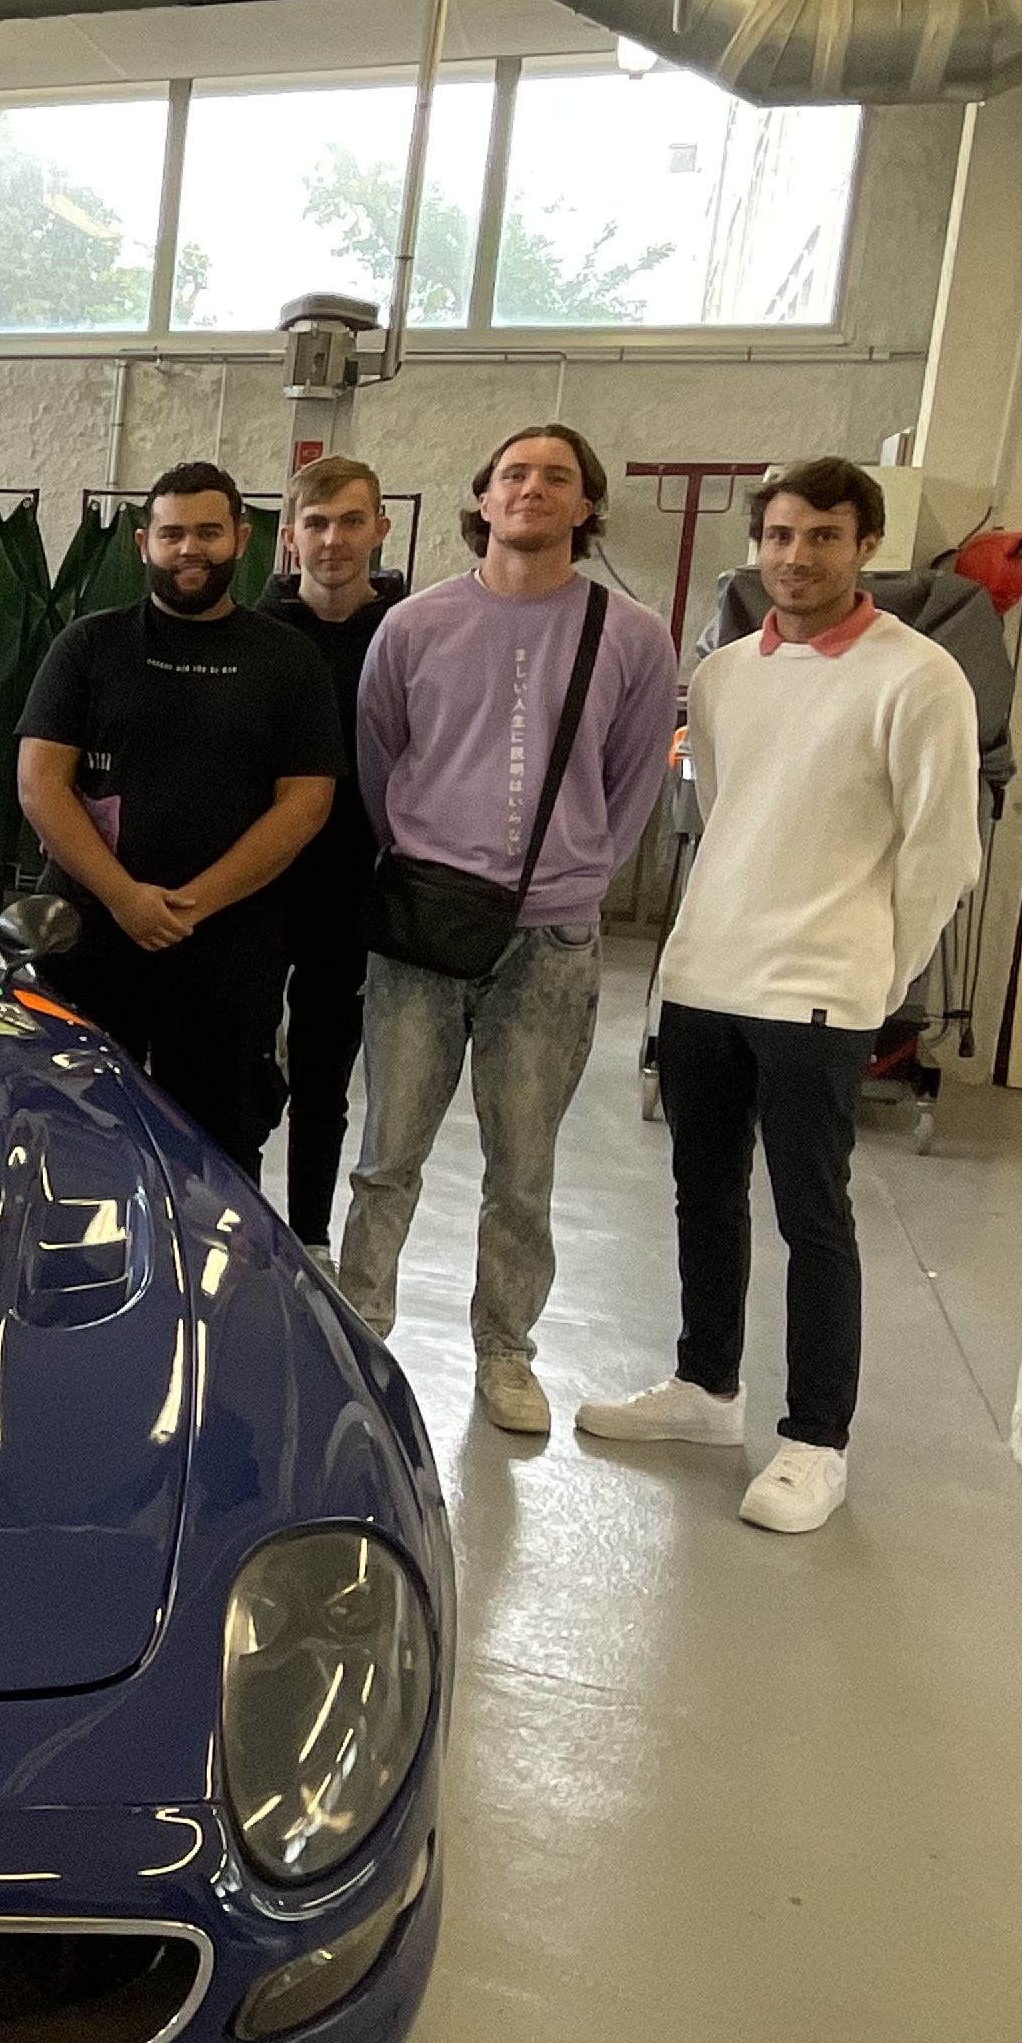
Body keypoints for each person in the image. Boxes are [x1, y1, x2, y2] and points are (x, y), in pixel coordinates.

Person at [582, 458, 980, 1534]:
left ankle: (816, 1441)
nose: (797, 558)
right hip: (708, 976)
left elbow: (944, 852)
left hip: (822, 990)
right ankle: (706, 1390)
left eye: (824, 537)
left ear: (866, 547)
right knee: (702, 1193)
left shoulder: (920, 678)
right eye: (781, 536)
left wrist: (877, 975)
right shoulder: (723, 677)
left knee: (814, 1215)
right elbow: (726, 812)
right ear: (757, 545)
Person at [339, 423, 678, 1435]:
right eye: (514, 474)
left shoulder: (631, 635)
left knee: (522, 1170)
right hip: (422, 926)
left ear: (587, 506)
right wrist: (429, 854)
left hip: (553, 942)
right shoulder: (413, 626)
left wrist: (576, 878)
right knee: (387, 1154)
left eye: (557, 477)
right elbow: (379, 760)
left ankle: (506, 1351)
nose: (533, 489)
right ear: (483, 499)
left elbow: (632, 783)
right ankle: (360, 1335)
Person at [15, 462, 341, 1177]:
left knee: (218, 1154)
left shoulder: (289, 661)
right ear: (145, 544)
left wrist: (192, 905)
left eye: (208, 532)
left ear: (242, 539)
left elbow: (306, 802)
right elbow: (40, 786)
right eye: (172, 534)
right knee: (75, 1140)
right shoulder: (88, 647)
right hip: (93, 940)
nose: (190, 548)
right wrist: (124, 898)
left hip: (227, 951)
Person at [255, 457, 407, 1256]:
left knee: (324, 1077)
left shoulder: (412, 635)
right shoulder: (251, 635)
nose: (333, 539)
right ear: (290, 537)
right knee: (241, 1073)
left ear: (381, 528)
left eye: (352, 521)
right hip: (254, 887)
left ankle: (310, 1241)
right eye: (316, 523)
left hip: (354, 890)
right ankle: (232, 1227)